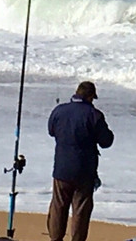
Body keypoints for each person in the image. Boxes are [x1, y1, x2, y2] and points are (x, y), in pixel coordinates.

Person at [47, 80, 114, 241]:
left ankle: (55, 238)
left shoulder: (59, 111)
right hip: (84, 172)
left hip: (62, 169)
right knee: (80, 211)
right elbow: (106, 142)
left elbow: (51, 131)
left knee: (58, 206)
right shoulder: (94, 115)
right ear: (90, 97)